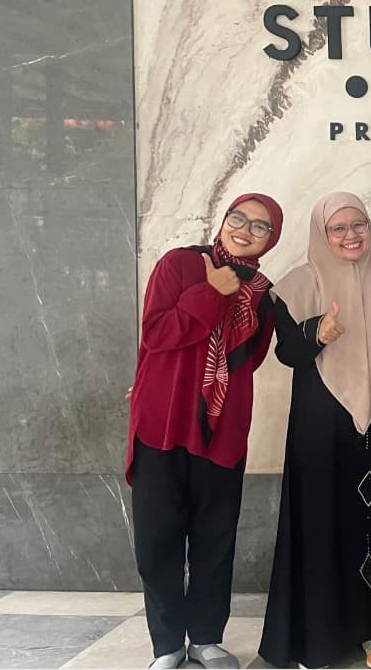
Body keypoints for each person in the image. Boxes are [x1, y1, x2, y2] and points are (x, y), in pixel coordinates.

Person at [258, 192, 371, 669]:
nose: (351, 235)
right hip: (321, 424)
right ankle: (324, 634)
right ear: (322, 233)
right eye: (338, 228)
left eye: (359, 225)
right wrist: (317, 332)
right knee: (323, 521)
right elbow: (287, 353)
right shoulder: (296, 285)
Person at [126, 193, 284, 670]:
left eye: (260, 226)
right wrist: (211, 292)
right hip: (163, 423)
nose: (245, 230)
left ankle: (206, 638)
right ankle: (167, 644)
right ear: (224, 219)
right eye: (239, 218)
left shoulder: (263, 294)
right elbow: (156, 334)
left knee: (215, 539)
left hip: (222, 430)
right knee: (157, 541)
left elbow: (250, 361)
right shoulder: (180, 265)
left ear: (270, 239)